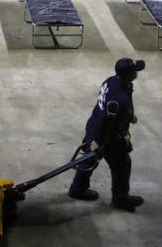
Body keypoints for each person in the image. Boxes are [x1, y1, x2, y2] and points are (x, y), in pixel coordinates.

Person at [68, 58, 146, 212]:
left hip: (94, 125)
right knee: (122, 164)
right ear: (128, 74)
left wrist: (129, 115)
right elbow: (107, 121)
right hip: (108, 136)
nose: (137, 73)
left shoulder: (111, 81)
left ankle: (77, 188)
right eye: (135, 71)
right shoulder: (118, 98)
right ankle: (120, 198)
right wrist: (99, 141)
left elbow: (115, 108)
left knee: (89, 159)